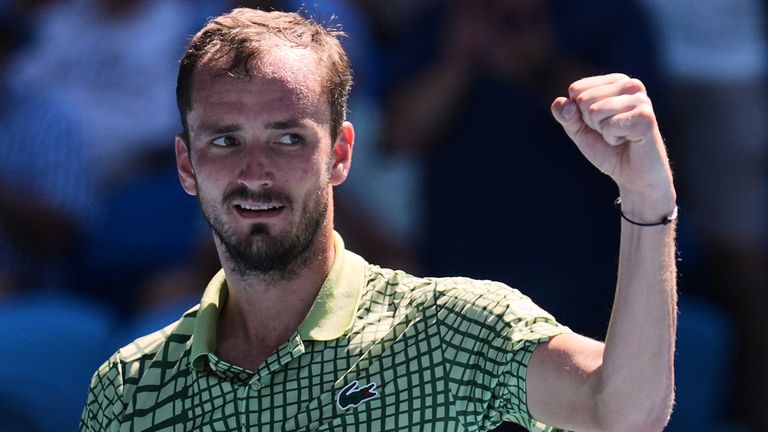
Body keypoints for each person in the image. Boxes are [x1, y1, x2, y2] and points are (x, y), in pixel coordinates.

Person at [80, 8, 678, 432]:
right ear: (186, 163)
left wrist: (648, 200)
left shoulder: (454, 330)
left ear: (340, 154)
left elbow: (620, 413)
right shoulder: (127, 390)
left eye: (289, 138)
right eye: (225, 140)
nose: (255, 171)